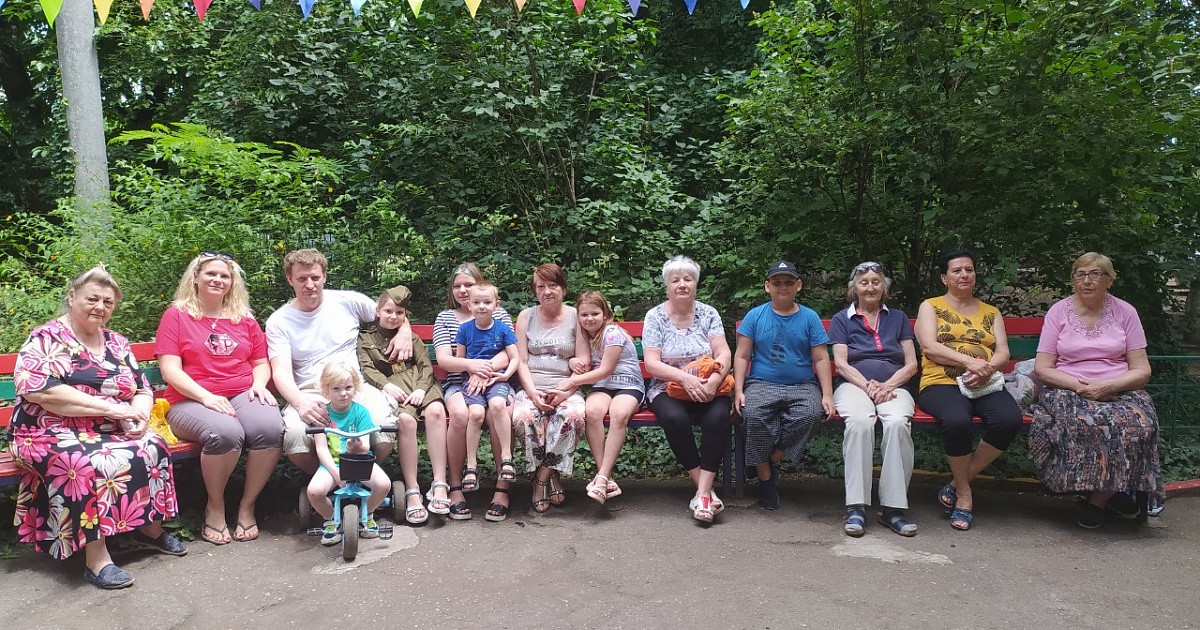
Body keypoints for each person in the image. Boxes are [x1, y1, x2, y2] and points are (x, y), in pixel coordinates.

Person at [8, 266, 186, 589]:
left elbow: (141, 389)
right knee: (83, 462)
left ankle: (149, 529)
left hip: (106, 429)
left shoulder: (116, 342)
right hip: (44, 431)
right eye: (92, 299)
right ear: (72, 296)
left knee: (152, 445)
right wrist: (113, 409)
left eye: (108, 302)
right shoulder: (46, 338)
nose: (100, 307)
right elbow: (42, 393)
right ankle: (97, 558)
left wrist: (139, 415)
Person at [156, 251, 284, 545]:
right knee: (225, 432)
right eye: (211, 274)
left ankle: (247, 505)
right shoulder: (177, 315)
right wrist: (206, 396)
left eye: (224, 275)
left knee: (271, 428)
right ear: (196, 278)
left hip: (241, 392)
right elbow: (170, 370)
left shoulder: (244, 318)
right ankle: (215, 506)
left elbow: (260, 362)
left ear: (232, 282)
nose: (218, 279)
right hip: (189, 399)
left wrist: (260, 384)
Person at [1028, 252, 1161, 529]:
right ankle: (1105, 491)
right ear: (1073, 280)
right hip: (1068, 387)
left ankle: (1098, 499)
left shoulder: (1126, 312)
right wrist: (1082, 387)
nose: (1087, 281)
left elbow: (1142, 369)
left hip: (1118, 388)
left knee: (1140, 424)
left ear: (1109, 280)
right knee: (1084, 422)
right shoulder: (1058, 312)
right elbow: (1043, 367)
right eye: (1080, 274)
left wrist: (1109, 386)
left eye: (1095, 274)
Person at [266, 249, 410, 476]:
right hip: (310, 392)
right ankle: (329, 480)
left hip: (355, 386)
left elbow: (391, 313)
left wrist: (405, 330)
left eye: (315, 277)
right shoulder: (279, 321)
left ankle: (360, 477)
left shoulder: (348, 302)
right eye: (302, 279)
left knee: (383, 427)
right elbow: (280, 372)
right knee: (295, 438)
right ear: (290, 279)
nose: (309, 285)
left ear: (324, 276)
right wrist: (301, 404)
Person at [914, 250, 1023, 531]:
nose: (964, 275)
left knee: (1009, 419)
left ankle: (956, 482)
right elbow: (929, 347)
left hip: (985, 381)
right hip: (941, 382)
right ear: (944, 278)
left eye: (969, 270)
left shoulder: (991, 312)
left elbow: (1003, 352)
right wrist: (970, 363)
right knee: (957, 420)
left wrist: (985, 369)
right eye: (957, 270)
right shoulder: (931, 306)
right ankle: (964, 494)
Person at [733, 261, 834, 512]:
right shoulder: (755, 315)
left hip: (802, 385)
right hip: (761, 383)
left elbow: (821, 358)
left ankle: (769, 459)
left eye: (788, 282)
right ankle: (765, 476)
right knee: (752, 414)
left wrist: (828, 394)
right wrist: (738, 390)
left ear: (798, 285)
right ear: (767, 286)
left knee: (811, 415)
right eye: (777, 283)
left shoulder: (809, 317)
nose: (783, 287)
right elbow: (742, 355)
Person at [828, 262, 919, 537]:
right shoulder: (842, 319)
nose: (870, 287)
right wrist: (868, 386)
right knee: (859, 422)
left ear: (884, 288)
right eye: (864, 282)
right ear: (854, 288)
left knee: (898, 422)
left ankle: (893, 509)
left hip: (893, 386)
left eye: (876, 282)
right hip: (853, 384)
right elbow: (841, 364)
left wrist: (888, 385)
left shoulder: (898, 318)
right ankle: (856, 506)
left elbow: (911, 364)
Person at [642, 256, 733, 522]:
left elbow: (723, 352)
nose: (682, 284)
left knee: (718, 417)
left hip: (707, 384)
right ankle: (705, 492)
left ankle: (702, 494)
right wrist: (684, 379)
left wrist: (715, 379)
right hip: (666, 387)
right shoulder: (655, 316)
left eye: (687, 279)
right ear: (667, 285)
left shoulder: (709, 313)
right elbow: (652, 363)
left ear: (695, 283)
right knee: (674, 418)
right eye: (675, 280)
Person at [358, 285, 449, 524]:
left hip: (421, 384)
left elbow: (425, 365)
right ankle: (412, 489)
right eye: (388, 311)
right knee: (406, 420)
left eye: (399, 313)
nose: (393, 317)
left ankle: (440, 483)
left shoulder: (411, 337)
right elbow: (367, 369)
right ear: (377, 311)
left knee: (436, 411)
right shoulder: (366, 339)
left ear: (405, 315)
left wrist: (421, 389)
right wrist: (386, 385)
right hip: (394, 389)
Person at [432, 263, 515, 521]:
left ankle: (502, 488)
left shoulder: (498, 313)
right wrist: (471, 368)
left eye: (468, 285)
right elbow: (445, 359)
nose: (462, 290)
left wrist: (483, 371)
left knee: (498, 412)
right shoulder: (445, 318)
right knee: (460, 414)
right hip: (459, 384)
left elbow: (510, 353)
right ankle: (456, 486)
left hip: (496, 380)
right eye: (457, 286)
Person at [553, 291, 645, 504]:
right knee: (592, 412)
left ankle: (601, 476)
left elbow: (605, 370)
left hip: (628, 386)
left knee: (619, 413)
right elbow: (583, 363)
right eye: (584, 315)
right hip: (604, 387)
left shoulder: (612, 333)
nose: (589, 319)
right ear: (578, 317)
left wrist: (571, 382)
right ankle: (606, 478)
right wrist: (571, 362)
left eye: (595, 314)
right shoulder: (586, 336)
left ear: (605, 314)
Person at [512, 263, 588, 514]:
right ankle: (553, 475)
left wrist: (565, 392)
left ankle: (542, 478)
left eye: (553, 285)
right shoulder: (526, 316)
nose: (547, 291)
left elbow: (583, 362)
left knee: (573, 415)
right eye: (540, 287)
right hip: (532, 388)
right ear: (535, 291)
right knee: (522, 417)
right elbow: (521, 361)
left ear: (563, 288)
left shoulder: (576, 316)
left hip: (567, 388)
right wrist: (532, 393)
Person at [306, 363, 391, 545]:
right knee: (314, 491)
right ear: (326, 390)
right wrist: (335, 472)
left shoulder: (361, 412)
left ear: (355, 387)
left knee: (384, 484)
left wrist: (358, 447)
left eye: (348, 388)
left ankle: (366, 513)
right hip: (333, 464)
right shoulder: (323, 415)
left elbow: (366, 445)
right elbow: (321, 449)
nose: (343, 393)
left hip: (360, 462)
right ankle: (331, 519)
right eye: (336, 389)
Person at [456, 282, 521, 498]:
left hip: (497, 380)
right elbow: (461, 360)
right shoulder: (465, 330)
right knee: (475, 414)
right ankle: (471, 465)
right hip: (472, 382)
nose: (481, 306)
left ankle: (506, 458)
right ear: (469, 305)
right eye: (476, 302)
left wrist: (506, 375)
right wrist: (474, 372)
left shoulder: (502, 329)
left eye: (487, 302)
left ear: (496, 304)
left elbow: (515, 357)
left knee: (497, 405)